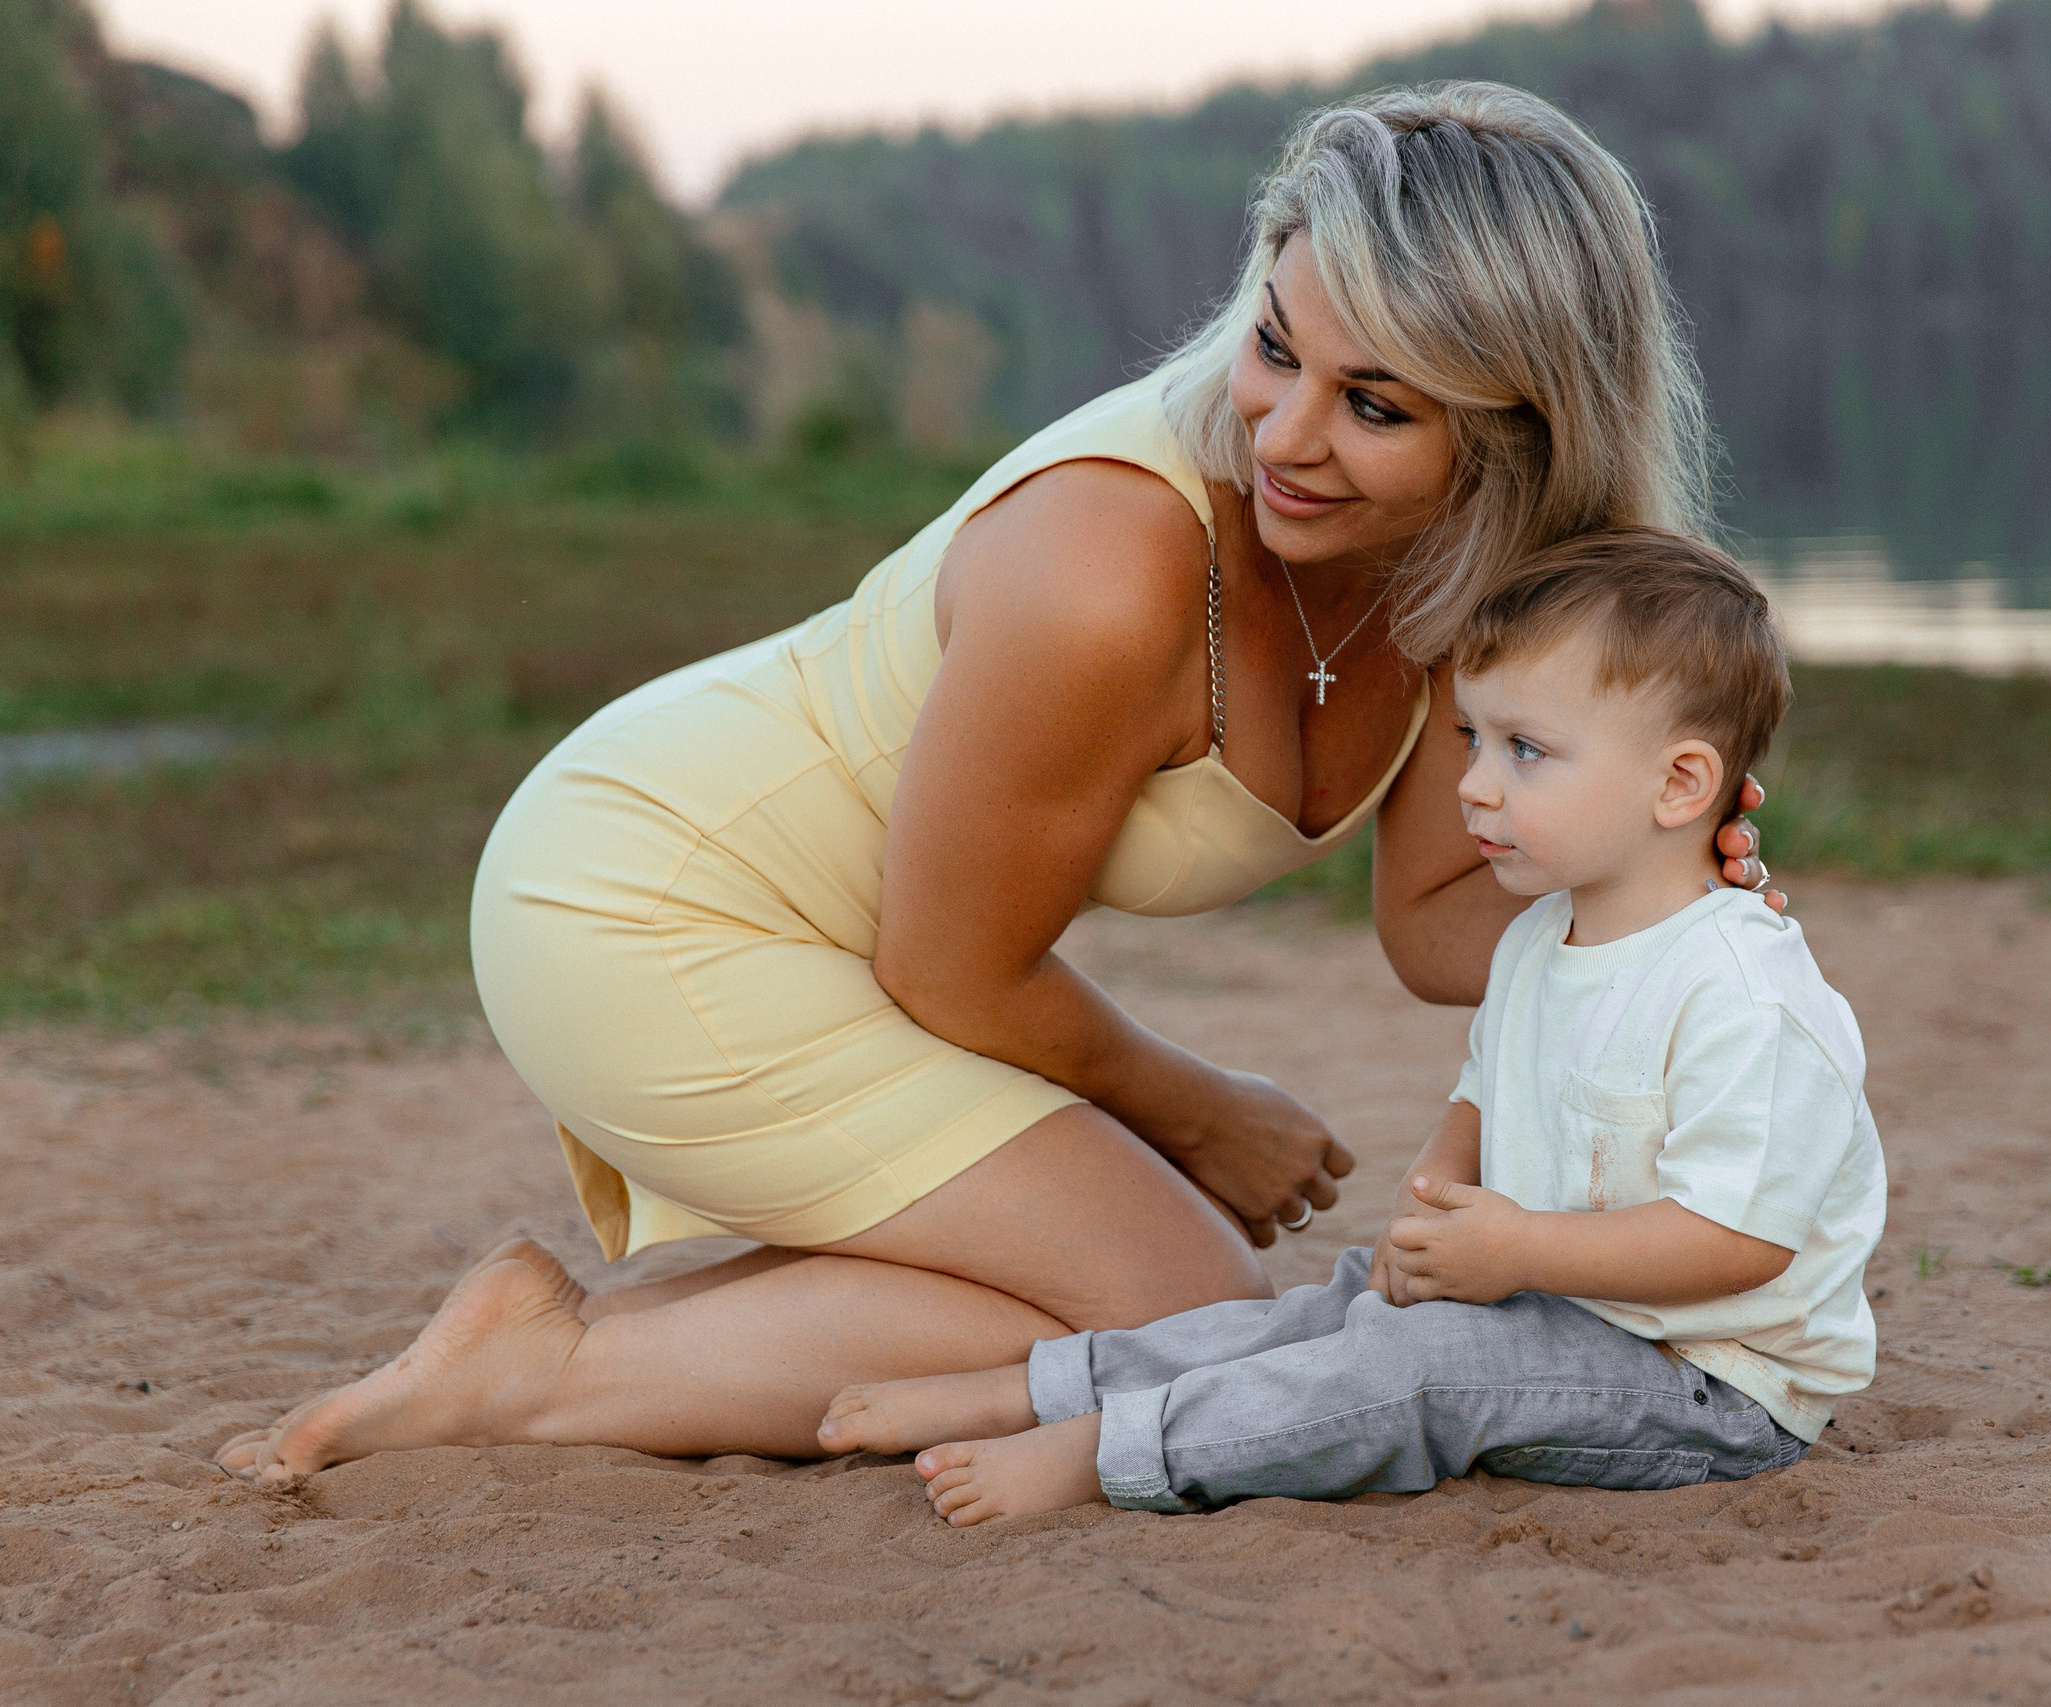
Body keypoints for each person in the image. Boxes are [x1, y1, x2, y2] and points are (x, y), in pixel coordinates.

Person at [216, 83, 1784, 1485]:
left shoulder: (1473, 592)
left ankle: (556, 1343)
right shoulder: (1110, 567)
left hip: (869, 951)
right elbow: (954, 961)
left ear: (1518, 437)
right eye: (1276, 346)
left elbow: (1443, 924)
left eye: (1376, 404)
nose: (1287, 435)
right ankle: (552, 1378)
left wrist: (1658, 891)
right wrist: (1202, 1112)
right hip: (652, 898)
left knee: (1146, 1303)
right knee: (1190, 1309)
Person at [817, 528, 1887, 1523]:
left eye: (1526, 751)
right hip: (1555, 1305)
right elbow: (1481, 1098)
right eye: (1471, 736)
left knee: (1408, 1373)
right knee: (1332, 1311)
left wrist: (1517, 1249)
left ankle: (1110, 1454)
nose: (1471, 787)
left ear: (1680, 783)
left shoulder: (1741, 996)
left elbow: (1740, 1241)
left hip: (1701, 1385)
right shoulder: (1540, 938)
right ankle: (1039, 1390)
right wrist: (1426, 1219)